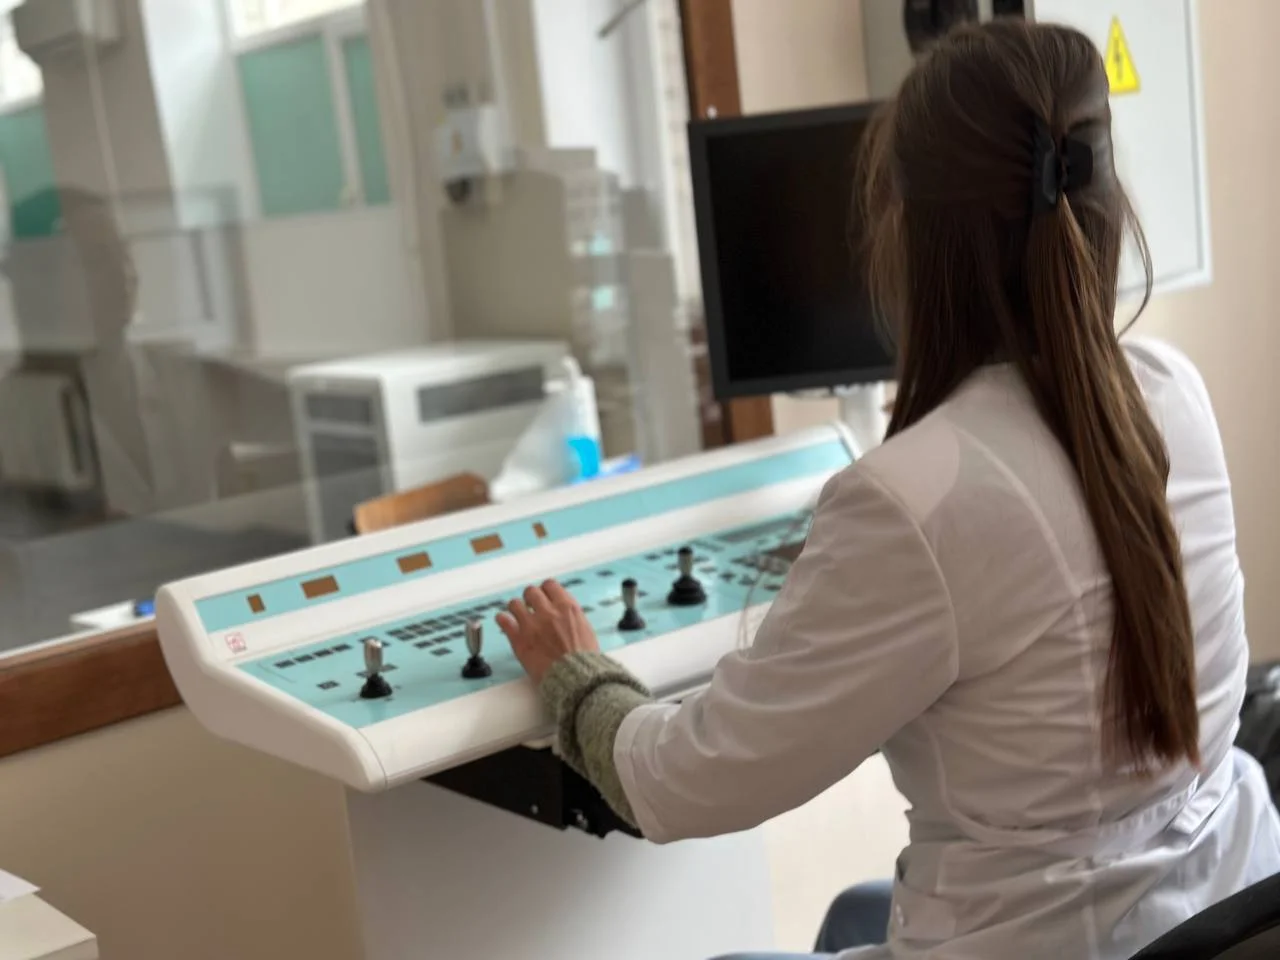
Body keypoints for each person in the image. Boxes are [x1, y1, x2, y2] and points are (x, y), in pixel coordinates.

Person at [495, 19, 1280, 960]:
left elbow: (689, 784)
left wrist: (580, 682)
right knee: (851, 913)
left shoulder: (915, 502)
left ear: (911, 235)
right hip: (1220, 896)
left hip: (1052, 940)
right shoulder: (1172, 390)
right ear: (1106, 207)